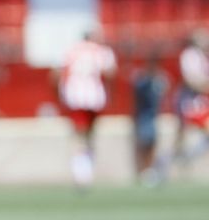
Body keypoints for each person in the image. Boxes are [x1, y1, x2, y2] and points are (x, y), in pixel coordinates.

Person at [157, 27, 209, 179]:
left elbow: (204, 83)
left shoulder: (207, 57)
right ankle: (164, 166)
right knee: (182, 139)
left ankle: (180, 160)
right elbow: (193, 83)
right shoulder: (189, 56)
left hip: (199, 103)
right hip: (189, 103)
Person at [55, 29, 117, 190]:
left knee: (79, 136)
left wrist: (61, 94)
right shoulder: (101, 51)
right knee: (88, 135)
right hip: (94, 98)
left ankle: (81, 172)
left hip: (75, 97)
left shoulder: (71, 50)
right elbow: (110, 73)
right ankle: (85, 172)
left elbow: (58, 74)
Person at [129, 56, 168, 185]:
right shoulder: (144, 82)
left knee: (151, 143)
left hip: (152, 116)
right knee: (145, 143)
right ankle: (144, 170)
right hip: (144, 116)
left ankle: (149, 169)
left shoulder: (157, 81)